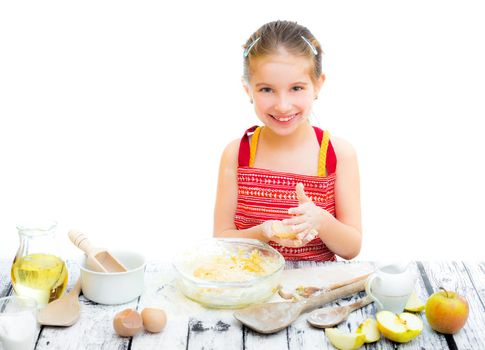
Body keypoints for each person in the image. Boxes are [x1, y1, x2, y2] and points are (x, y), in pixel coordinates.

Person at [213, 20, 361, 261]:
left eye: (296, 88)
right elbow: (222, 239)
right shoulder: (237, 153)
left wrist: (321, 220)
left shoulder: (339, 154)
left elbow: (351, 248)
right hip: (252, 289)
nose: (282, 105)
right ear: (248, 89)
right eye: (266, 90)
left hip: (318, 291)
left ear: (317, 85)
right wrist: (264, 233)